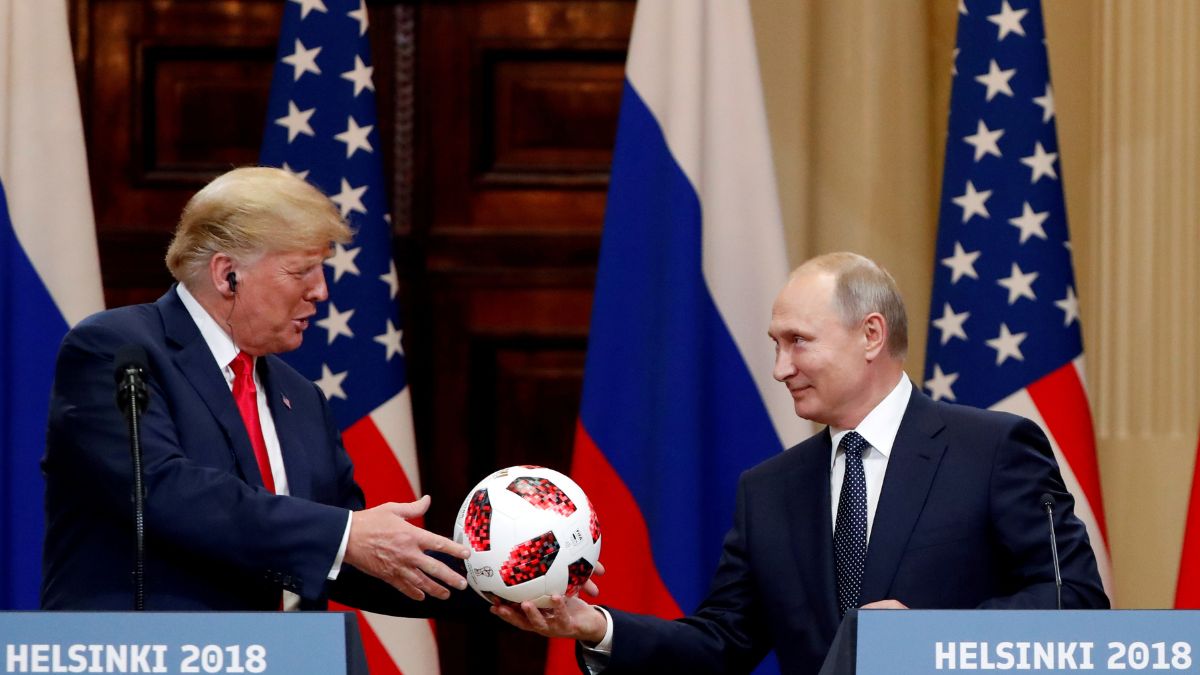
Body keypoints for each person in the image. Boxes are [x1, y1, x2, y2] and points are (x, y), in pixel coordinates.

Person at [494, 252, 1109, 673]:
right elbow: (721, 644)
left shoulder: (994, 449)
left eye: (798, 342)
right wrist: (594, 625)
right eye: (775, 345)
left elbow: (1076, 602)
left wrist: (929, 637)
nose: (780, 367)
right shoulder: (769, 491)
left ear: (870, 335)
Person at [41, 166, 475, 613]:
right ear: (227, 273)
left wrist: (507, 595)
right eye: (302, 270)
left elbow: (352, 558)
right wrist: (345, 534)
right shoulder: (117, 349)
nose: (321, 291)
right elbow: (163, 489)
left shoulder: (301, 398)